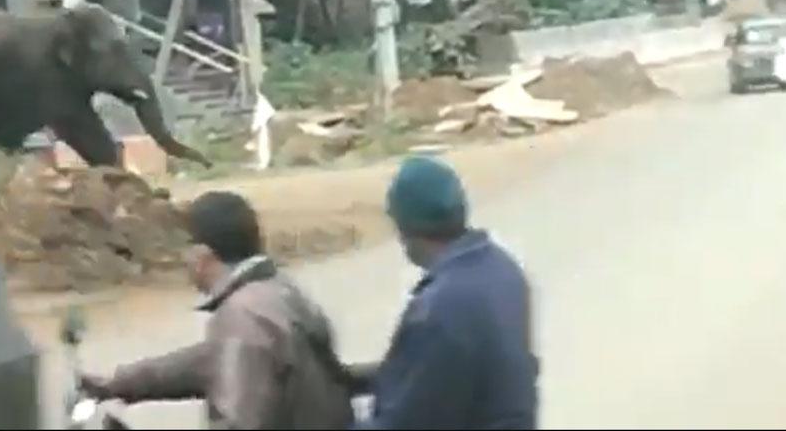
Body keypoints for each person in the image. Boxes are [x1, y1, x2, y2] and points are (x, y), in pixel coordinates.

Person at [79, 191, 355, 430]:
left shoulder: (242, 318)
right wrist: (118, 382)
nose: (182, 259)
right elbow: (210, 360)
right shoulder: (276, 290)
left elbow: (237, 421)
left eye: (185, 248)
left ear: (202, 256)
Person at [351, 156, 539, 430]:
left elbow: (405, 420)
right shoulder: (502, 270)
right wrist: (360, 378)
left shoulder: (439, 308)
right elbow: (447, 369)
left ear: (405, 229)